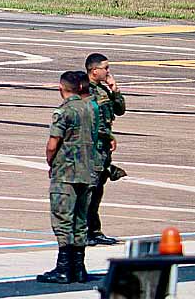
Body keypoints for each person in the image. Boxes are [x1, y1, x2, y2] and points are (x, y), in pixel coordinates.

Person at [38, 70, 98, 284]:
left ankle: (64, 267)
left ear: (61, 88)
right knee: (81, 220)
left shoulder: (64, 111)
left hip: (66, 173)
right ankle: (79, 267)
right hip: (87, 171)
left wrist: (50, 161)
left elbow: (53, 143)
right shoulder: (91, 108)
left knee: (63, 220)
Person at [85, 53, 126, 247]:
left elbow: (119, 110)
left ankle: (94, 230)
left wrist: (114, 89)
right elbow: (90, 120)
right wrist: (108, 136)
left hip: (103, 149)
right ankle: (83, 231)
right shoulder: (85, 90)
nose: (108, 71)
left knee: (98, 189)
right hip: (91, 147)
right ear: (94, 70)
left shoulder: (103, 90)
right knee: (89, 190)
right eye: (105, 68)